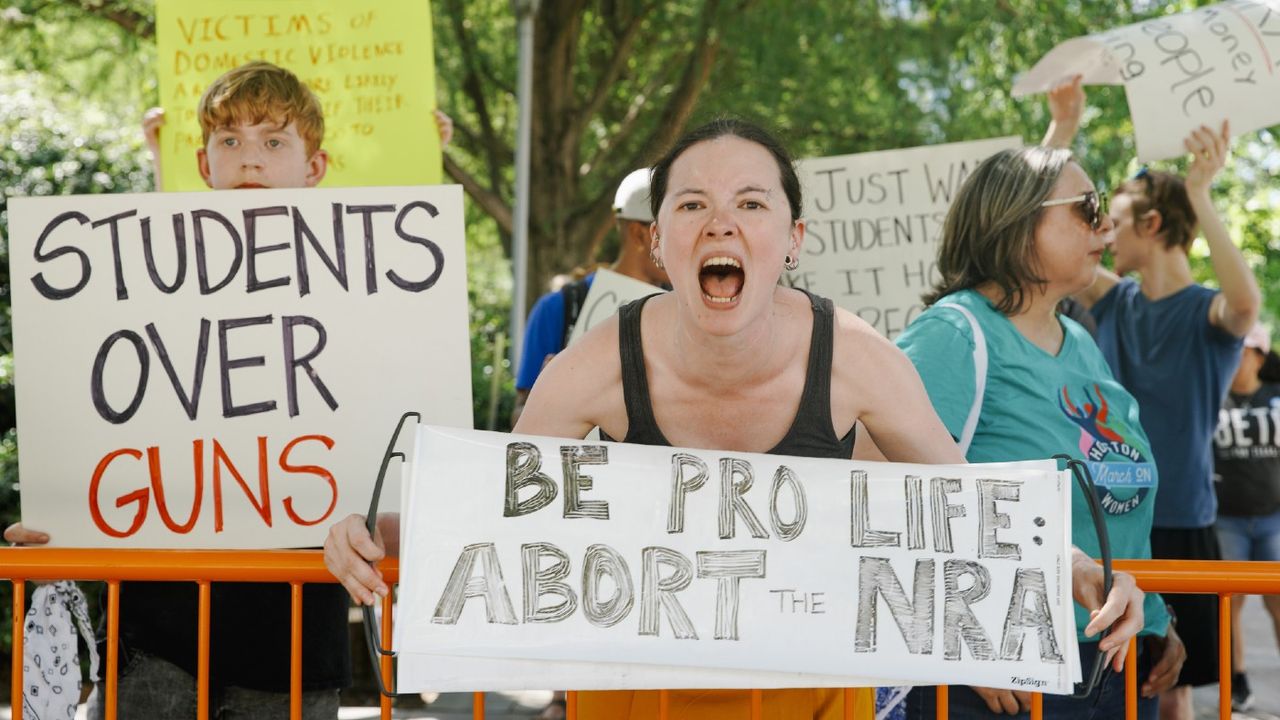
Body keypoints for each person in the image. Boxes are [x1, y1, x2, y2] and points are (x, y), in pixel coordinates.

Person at [325, 118, 1147, 720]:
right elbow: (486, 523)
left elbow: (968, 509)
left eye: (750, 203)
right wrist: (369, 532)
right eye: (692, 205)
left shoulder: (858, 359)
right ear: (659, 242)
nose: (720, 221)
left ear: (791, 240)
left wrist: (1079, 571)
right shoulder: (594, 365)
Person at [7, 61, 349, 719]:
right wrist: (63, 515)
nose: (250, 159)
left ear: (314, 167)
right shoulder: (132, 283)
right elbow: (102, 407)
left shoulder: (359, 297)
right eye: (230, 142)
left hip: (294, 635)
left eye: (274, 141)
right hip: (157, 631)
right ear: (204, 162)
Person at [880, 145, 1181, 719]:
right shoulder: (953, 334)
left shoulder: (1082, 340)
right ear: (1014, 222)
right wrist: (958, 645)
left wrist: (1159, 621)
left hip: (1113, 664)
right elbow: (890, 499)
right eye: (1087, 207)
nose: (1107, 224)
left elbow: (1115, 504)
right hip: (1003, 673)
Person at [1047, 77, 1262, 720]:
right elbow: (1027, 221)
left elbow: (1248, 303)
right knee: (1112, 681)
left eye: (1119, 209)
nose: (1103, 226)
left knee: (1171, 690)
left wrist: (1202, 190)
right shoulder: (1112, 298)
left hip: (1184, 524)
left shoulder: (1208, 315)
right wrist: (1061, 129)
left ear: (1155, 222)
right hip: (1109, 523)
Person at [510, 168, 671, 425]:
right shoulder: (557, 308)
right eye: (672, 232)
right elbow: (520, 421)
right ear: (641, 234)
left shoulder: (688, 309)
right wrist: (547, 395)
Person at [1212, 323, 1280, 712]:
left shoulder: (1275, 396)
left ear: (1258, 355)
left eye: (1243, 350)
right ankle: (1237, 679)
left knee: (1277, 601)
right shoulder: (1213, 396)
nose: (1235, 358)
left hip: (1274, 517)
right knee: (1230, 601)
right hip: (1227, 518)